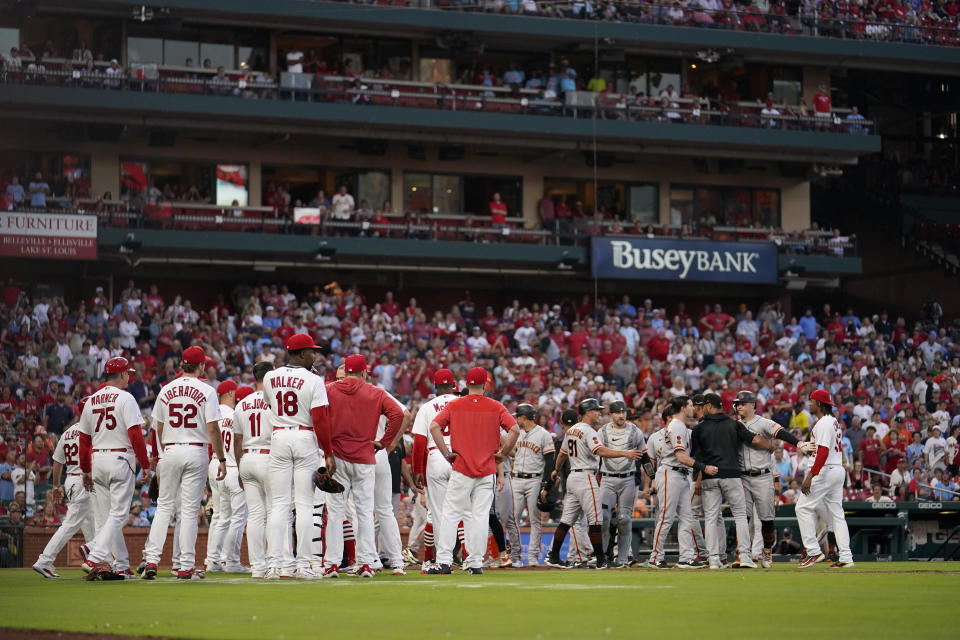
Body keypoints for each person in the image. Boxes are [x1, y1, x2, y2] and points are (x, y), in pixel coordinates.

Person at [141, 346, 226, 580]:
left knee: (164, 508)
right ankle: (185, 565)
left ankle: (151, 560)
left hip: (169, 450)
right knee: (189, 511)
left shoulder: (165, 390)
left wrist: (160, 456)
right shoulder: (207, 390)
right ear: (200, 366)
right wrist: (221, 458)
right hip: (195, 451)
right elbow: (212, 429)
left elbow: (157, 427)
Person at [427, 367, 520, 575]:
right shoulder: (496, 406)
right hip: (487, 470)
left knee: (450, 514)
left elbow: (434, 427)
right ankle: (476, 562)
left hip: (461, 467)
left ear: (466, 385)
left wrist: (446, 453)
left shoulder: (455, 404)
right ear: (485, 386)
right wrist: (503, 454)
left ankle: (444, 561)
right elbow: (515, 430)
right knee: (479, 516)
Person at [322, 353, 404, 578]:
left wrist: (326, 449)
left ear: (345, 371)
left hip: (337, 457)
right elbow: (398, 415)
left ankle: (331, 564)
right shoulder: (376, 392)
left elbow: (317, 416)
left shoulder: (328, 389)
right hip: (365, 457)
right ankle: (366, 562)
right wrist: (384, 443)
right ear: (364, 372)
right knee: (365, 512)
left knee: (336, 512)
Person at [76, 357, 152, 581]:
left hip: (98, 458)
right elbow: (136, 434)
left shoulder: (91, 400)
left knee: (107, 517)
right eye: (127, 373)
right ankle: (94, 552)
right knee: (118, 515)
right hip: (120, 457)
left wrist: (86, 469)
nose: (129, 376)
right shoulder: (125, 398)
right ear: (120, 375)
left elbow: (83, 439)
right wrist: (145, 464)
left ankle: (120, 565)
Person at [263, 334, 331, 580]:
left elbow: (270, 405)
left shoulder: (269, 377)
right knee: (303, 504)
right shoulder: (314, 379)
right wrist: (329, 452)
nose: (315, 355)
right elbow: (320, 419)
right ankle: (303, 565)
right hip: (304, 437)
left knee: (279, 505)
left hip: (279, 436)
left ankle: (275, 565)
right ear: (302, 354)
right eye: (312, 351)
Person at [545, 398, 641, 570]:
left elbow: (561, 454)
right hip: (586, 477)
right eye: (596, 410)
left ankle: (553, 556)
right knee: (595, 520)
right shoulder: (589, 432)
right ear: (587, 412)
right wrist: (624, 453)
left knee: (567, 520)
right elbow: (601, 451)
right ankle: (601, 560)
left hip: (573, 478)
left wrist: (556, 470)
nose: (599, 412)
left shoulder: (572, 430)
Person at [691, 392, 774, 570]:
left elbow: (696, 457)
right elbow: (755, 439)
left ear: (708, 405)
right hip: (732, 475)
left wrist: (698, 477)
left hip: (709, 476)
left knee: (711, 518)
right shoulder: (734, 424)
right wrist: (769, 446)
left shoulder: (699, 428)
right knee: (740, 516)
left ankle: (714, 559)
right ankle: (744, 556)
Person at [733, 390, 806, 568]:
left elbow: (781, 433)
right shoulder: (734, 425)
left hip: (763, 475)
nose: (738, 406)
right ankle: (743, 554)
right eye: (737, 404)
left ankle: (766, 551)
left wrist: (798, 443)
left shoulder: (763, 422)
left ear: (752, 405)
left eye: (742, 403)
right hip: (743, 476)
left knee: (766, 519)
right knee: (744, 518)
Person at [32, 398, 96, 578]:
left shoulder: (68, 432)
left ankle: (94, 561)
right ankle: (44, 560)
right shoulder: (91, 430)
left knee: (89, 521)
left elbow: (57, 460)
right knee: (72, 523)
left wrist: (56, 485)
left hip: (70, 480)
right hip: (85, 479)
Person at [795, 389, 854, 569]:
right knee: (837, 515)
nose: (810, 404)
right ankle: (845, 556)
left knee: (802, 508)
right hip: (836, 469)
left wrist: (810, 475)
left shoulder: (823, 423)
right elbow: (822, 449)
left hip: (825, 471)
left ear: (819, 404)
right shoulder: (834, 422)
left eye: (812, 401)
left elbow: (823, 452)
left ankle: (813, 551)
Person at [410, 369, 461, 572]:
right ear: (453, 385)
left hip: (436, 457)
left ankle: (443, 560)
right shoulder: (462, 404)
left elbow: (419, 441)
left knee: (439, 513)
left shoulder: (427, 407)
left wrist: (417, 470)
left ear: (435, 386)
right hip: (461, 458)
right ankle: (471, 559)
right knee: (464, 512)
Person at [646, 396, 703, 569]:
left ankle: (686, 557)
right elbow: (677, 456)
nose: (693, 408)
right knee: (666, 517)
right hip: (670, 472)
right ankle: (655, 557)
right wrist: (703, 467)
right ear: (684, 408)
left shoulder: (684, 427)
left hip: (682, 474)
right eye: (691, 405)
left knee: (687, 517)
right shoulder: (676, 426)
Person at [234, 365, 275, 578]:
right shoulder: (273, 401)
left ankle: (258, 567)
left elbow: (237, 441)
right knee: (274, 512)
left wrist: (240, 467)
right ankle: (276, 562)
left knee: (256, 516)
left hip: (248, 457)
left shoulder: (242, 403)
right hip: (269, 457)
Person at [597, 400, 649, 567]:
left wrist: (652, 477)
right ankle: (603, 557)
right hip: (607, 478)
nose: (621, 415)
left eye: (623, 412)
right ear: (611, 414)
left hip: (628, 478)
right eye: (617, 412)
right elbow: (596, 454)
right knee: (604, 517)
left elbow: (645, 456)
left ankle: (623, 559)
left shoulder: (635, 431)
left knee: (624, 519)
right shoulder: (602, 431)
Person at [205, 380, 248, 574]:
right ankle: (230, 560)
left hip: (215, 464)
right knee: (237, 518)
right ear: (231, 393)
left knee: (221, 518)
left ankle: (212, 560)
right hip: (232, 466)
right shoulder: (236, 414)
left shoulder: (213, 413)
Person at [508, 403, 555, 567]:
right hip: (517, 479)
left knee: (535, 520)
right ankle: (515, 557)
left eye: (518, 416)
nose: (516, 419)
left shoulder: (543, 434)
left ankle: (533, 557)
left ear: (524, 417)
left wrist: (545, 484)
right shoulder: (516, 433)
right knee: (512, 519)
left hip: (535, 480)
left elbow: (550, 461)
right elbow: (513, 452)